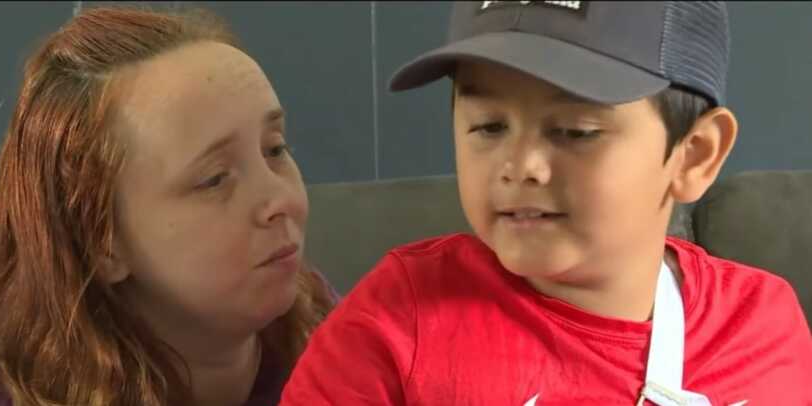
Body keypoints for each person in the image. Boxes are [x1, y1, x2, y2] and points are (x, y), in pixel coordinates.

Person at [280, 2, 812, 404]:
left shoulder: (762, 328)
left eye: (575, 131)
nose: (521, 165)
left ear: (694, 155)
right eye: (488, 126)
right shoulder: (398, 321)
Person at [0, 6, 335, 406]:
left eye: (275, 149)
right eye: (214, 179)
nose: (281, 200)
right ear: (101, 240)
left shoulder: (326, 322)